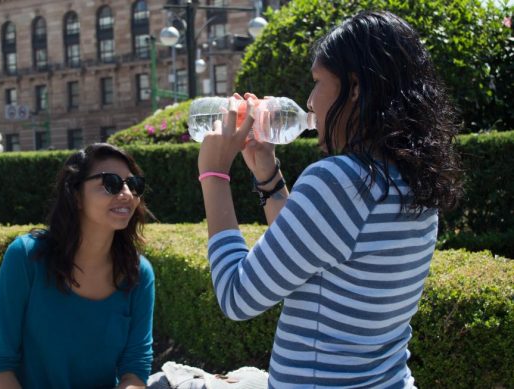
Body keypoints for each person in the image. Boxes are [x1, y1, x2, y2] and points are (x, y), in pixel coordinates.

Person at [197, 10, 461, 389]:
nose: (309, 101)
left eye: (318, 82)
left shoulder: (341, 180)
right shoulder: (412, 178)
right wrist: (267, 174)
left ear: (354, 87)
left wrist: (214, 174)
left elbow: (237, 297)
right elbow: (313, 255)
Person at [0, 143, 154, 389]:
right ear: (76, 195)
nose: (127, 193)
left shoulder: (139, 273)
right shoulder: (26, 257)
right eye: (111, 183)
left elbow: (135, 370)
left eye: (133, 184)